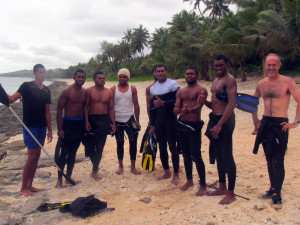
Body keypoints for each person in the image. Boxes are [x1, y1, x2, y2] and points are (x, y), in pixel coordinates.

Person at [252, 53, 300, 209]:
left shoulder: (287, 81)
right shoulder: (261, 83)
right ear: (265, 66)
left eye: (274, 64)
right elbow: (253, 102)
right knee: (268, 158)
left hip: (280, 124)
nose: (271, 67)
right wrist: (256, 121)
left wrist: (295, 122)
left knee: (278, 160)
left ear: (279, 65)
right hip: (265, 123)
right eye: (268, 65)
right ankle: (272, 188)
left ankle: (277, 194)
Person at [6, 64, 52, 196]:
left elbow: (47, 111)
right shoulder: (26, 86)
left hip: (41, 127)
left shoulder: (46, 90)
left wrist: (49, 129)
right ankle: (23, 188)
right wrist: (1, 90)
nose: (43, 75)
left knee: (37, 156)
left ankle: (30, 185)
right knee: (31, 156)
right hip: (29, 127)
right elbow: (11, 99)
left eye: (44, 73)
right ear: (34, 73)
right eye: (41, 73)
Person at [201, 54, 237, 204]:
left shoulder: (230, 80)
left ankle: (231, 192)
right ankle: (222, 186)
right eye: (216, 66)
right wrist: (205, 102)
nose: (218, 68)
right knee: (218, 154)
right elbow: (215, 104)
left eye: (221, 65)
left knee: (227, 155)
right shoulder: (215, 81)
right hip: (215, 119)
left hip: (225, 120)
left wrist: (220, 124)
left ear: (226, 64)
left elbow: (232, 103)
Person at [173, 66, 208, 195]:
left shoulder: (201, 90)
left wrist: (189, 110)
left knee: (196, 155)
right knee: (186, 154)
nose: (189, 76)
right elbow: (177, 107)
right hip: (182, 125)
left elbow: (200, 104)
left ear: (197, 76)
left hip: (194, 125)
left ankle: (203, 185)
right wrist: (176, 110)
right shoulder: (181, 92)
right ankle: (189, 180)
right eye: (187, 74)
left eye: (192, 74)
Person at [55, 69, 86, 188]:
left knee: (73, 153)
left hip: (79, 125)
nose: (81, 79)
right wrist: (59, 129)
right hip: (67, 124)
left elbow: (84, 109)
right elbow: (59, 110)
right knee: (64, 153)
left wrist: (85, 124)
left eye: (83, 77)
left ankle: (68, 177)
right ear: (74, 77)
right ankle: (59, 180)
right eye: (78, 77)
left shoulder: (84, 92)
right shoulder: (67, 91)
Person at [149, 64, 180, 184]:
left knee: (172, 146)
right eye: (158, 71)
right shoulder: (153, 88)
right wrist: (151, 124)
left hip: (171, 120)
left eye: (162, 71)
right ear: (155, 73)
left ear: (166, 71)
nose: (160, 73)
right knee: (162, 147)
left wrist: (164, 103)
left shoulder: (173, 85)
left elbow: (178, 102)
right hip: (159, 121)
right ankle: (167, 171)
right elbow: (152, 108)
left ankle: (176, 173)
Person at [84, 71, 116, 180]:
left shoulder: (109, 92)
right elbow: (85, 107)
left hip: (104, 119)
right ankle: (95, 166)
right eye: (100, 78)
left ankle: (94, 171)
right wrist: (86, 121)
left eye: (103, 78)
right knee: (90, 146)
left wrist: (113, 123)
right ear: (94, 79)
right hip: (92, 119)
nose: (102, 80)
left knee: (100, 147)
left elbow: (111, 108)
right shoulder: (89, 91)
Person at [110, 68, 141, 175]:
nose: (122, 78)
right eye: (120, 76)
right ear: (118, 77)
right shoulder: (113, 89)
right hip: (117, 120)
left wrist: (137, 121)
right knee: (119, 143)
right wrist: (112, 122)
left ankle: (133, 167)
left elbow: (136, 105)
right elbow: (110, 107)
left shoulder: (132, 88)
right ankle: (121, 166)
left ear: (128, 78)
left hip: (129, 118)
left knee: (133, 143)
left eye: (124, 77)